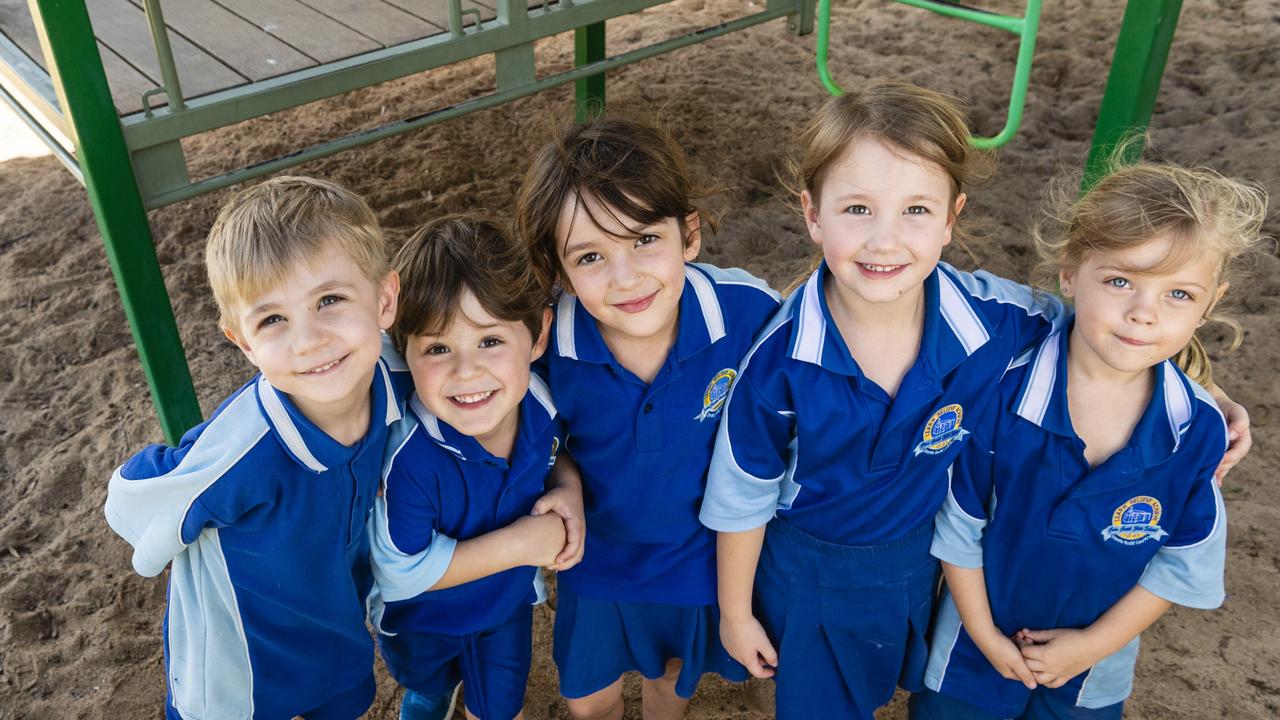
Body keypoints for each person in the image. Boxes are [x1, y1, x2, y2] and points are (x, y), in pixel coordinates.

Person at [700, 80, 1075, 720]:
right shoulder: (781, 362)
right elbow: (742, 498)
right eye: (857, 209)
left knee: (883, 688)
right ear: (813, 215)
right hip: (812, 569)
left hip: (917, 561)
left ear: (952, 218)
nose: (884, 240)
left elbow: (1102, 328)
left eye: (916, 211)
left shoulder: (995, 321)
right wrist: (736, 617)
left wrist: (1205, 384)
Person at [911, 158, 1267, 719]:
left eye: (1179, 295)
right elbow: (960, 525)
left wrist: (1092, 646)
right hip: (970, 651)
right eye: (1120, 280)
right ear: (1070, 273)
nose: (1143, 314)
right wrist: (982, 633)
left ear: (1210, 304)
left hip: (1093, 672)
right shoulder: (1005, 391)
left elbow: (1180, 562)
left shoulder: (1196, 431)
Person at [104, 176, 401, 719]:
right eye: (272, 320)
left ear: (384, 299)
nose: (309, 340)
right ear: (243, 342)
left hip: (332, 633)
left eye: (330, 300)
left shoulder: (394, 378)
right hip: (234, 673)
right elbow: (129, 501)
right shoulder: (243, 451)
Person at [513, 119, 781, 719]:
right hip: (597, 562)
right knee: (589, 702)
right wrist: (565, 483)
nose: (626, 277)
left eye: (643, 241)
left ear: (688, 235)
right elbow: (538, 442)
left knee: (672, 686)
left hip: (699, 560)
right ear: (558, 270)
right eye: (590, 256)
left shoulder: (749, 314)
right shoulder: (547, 345)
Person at [367, 215, 585, 720]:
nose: (467, 372)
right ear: (405, 352)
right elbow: (400, 574)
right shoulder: (411, 459)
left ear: (537, 336)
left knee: (499, 707)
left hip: (504, 607)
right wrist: (523, 544)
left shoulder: (543, 402)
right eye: (438, 348)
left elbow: (558, 451)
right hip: (421, 620)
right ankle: (432, 695)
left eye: (490, 341)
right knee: (426, 686)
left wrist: (568, 486)